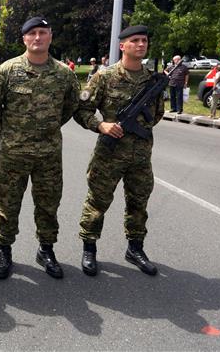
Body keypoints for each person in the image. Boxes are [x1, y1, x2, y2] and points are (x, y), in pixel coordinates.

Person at [0, 16, 80, 280]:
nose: (38, 37)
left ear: (50, 36)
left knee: (48, 204)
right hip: (14, 153)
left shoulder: (64, 74)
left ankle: (46, 250)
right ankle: (4, 250)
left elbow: (71, 106)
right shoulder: (7, 70)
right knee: (8, 204)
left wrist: (49, 127)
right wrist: (12, 129)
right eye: (33, 33)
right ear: (24, 38)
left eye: (43, 32)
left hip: (49, 154)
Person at [74, 25, 164, 277]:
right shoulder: (105, 77)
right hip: (109, 154)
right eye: (134, 40)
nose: (141, 44)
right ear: (122, 46)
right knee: (97, 202)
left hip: (141, 156)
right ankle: (89, 247)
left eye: (144, 40)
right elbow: (82, 110)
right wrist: (101, 125)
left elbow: (157, 114)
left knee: (138, 203)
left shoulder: (152, 80)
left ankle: (135, 248)